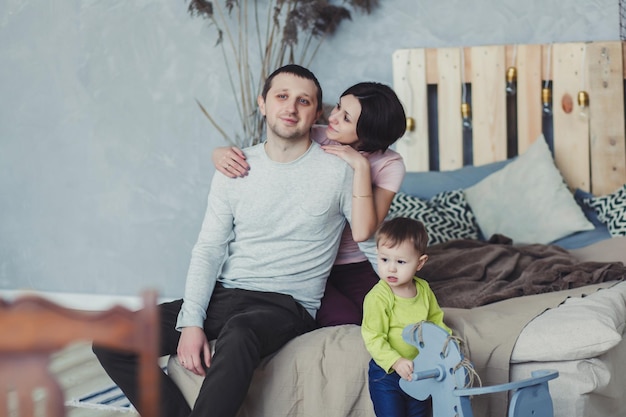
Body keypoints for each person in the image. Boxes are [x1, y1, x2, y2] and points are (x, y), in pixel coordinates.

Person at [93, 64, 368, 417]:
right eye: (282, 96)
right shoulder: (234, 166)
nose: (291, 107)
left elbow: (369, 239)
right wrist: (191, 323)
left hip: (287, 303)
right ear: (263, 103)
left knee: (238, 332)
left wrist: (402, 297)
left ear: (317, 113)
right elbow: (208, 249)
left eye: (303, 101)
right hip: (226, 293)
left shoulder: (339, 170)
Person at [213, 82, 407, 326]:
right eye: (338, 107)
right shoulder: (313, 135)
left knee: (387, 319)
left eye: (345, 118)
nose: (333, 117)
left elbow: (362, 231)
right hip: (307, 263)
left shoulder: (390, 164)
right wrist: (219, 153)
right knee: (342, 320)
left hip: (355, 263)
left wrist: (360, 167)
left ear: (368, 134)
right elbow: (261, 156)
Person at [361, 217, 451, 417]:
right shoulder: (378, 297)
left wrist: (449, 348)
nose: (391, 268)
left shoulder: (424, 289)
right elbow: (373, 336)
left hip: (420, 372)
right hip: (387, 375)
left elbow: (436, 322)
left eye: (401, 262)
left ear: (420, 263)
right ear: (377, 255)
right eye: (385, 259)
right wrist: (395, 360)